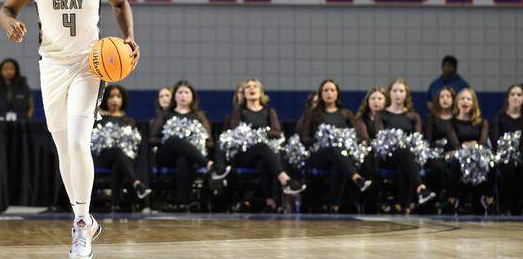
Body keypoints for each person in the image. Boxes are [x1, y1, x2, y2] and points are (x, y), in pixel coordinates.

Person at [0, 0, 140, 258]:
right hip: (51, 66)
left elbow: (121, 3)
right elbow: (6, 9)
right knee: (63, 148)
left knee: (78, 142)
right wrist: (9, 23)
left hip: (89, 65)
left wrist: (129, 36)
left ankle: (80, 223)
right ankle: (84, 219)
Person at [220, 79, 306, 212]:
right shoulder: (238, 112)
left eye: (255, 86)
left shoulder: (269, 111)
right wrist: (257, 136)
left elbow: (278, 132)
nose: (251, 88)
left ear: (261, 92)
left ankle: (270, 203)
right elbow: (234, 133)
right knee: (262, 147)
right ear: (244, 93)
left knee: (263, 161)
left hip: (263, 155)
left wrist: (260, 134)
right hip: (244, 155)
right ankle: (285, 180)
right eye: (248, 87)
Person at [149, 80, 231, 210]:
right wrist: (173, 142)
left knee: (184, 159)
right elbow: (152, 138)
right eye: (180, 92)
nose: (183, 95)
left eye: (186, 92)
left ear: (192, 96)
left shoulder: (199, 115)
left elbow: (209, 140)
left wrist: (191, 144)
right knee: (174, 139)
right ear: (174, 96)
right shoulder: (165, 114)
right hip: (168, 156)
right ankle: (210, 166)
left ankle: (183, 203)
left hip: (193, 157)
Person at [300, 79, 372, 211]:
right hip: (318, 156)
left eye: (332, 90)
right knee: (333, 150)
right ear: (321, 94)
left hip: (340, 156)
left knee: (338, 159)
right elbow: (304, 138)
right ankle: (356, 178)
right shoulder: (312, 113)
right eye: (326, 90)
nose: (329, 93)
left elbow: (357, 136)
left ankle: (334, 206)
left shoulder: (346, 113)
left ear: (337, 93)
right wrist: (322, 140)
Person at [366, 80, 434, 212]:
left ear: (406, 94)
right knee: (405, 154)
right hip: (387, 156)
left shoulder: (413, 116)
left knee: (405, 160)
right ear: (389, 94)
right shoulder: (381, 115)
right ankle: (420, 188)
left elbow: (418, 140)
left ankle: (402, 206)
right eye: (395, 91)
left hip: (407, 156)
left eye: (401, 91)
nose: (398, 94)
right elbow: (381, 138)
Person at [94, 84, 152, 205]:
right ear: (105, 99)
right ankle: (136, 183)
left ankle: (115, 205)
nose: (115, 100)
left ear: (123, 100)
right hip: (102, 157)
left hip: (122, 159)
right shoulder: (98, 118)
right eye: (111, 97)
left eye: (118, 97)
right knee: (117, 152)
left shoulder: (129, 120)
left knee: (118, 161)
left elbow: (135, 142)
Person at [447, 88, 494, 214]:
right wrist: (468, 145)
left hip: (478, 156)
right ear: (457, 102)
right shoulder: (451, 122)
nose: (465, 101)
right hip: (460, 155)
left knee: (492, 162)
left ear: (473, 103)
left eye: (469, 99)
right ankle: (453, 201)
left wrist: (470, 146)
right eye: (462, 98)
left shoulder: (482, 122)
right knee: (455, 161)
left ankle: (488, 200)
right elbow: (456, 145)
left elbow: (482, 144)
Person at [491, 83, 523, 215]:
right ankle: (505, 206)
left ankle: (521, 206)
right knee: (507, 167)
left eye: (519, 94)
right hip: (503, 157)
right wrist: (506, 151)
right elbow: (496, 140)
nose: (515, 97)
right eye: (512, 94)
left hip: (521, 156)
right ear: (508, 98)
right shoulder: (499, 117)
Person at [423, 86, 455, 210]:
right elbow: (428, 141)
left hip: (453, 153)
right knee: (438, 167)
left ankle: (452, 200)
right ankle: (436, 199)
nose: (445, 99)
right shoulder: (431, 118)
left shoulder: (456, 118)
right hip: (435, 154)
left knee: (453, 165)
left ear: (453, 99)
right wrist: (441, 147)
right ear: (437, 100)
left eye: (448, 96)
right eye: (442, 96)